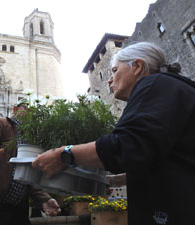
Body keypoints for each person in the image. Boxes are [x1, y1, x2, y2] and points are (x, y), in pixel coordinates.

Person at [32, 42, 195, 225]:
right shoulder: (170, 89)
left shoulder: (152, 84)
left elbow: (128, 145)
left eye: (115, 70)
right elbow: (165, 156)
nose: (109, 80)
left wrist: (63, 154)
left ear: (137, 66)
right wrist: (116, 180)